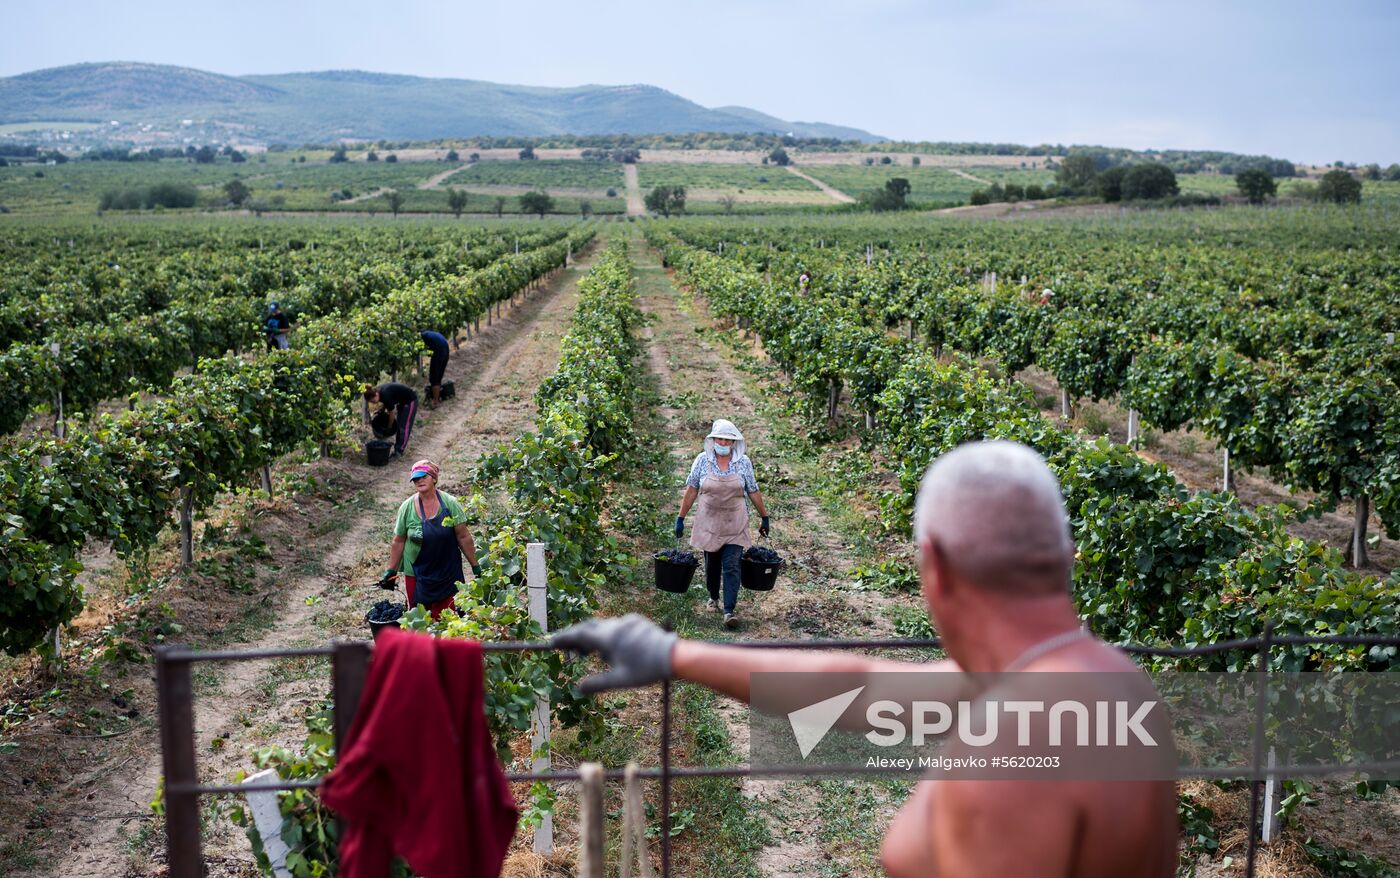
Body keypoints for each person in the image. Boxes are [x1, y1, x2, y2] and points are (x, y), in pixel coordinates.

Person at [558, 441, 1178, 877]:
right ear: (1067, 558)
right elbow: (852, 685)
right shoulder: (1111, 687)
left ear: (934, 566)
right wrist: (675, 654)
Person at [674, 419, 770, 629]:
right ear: (713, 440)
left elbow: (752, 490)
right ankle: (713, 596)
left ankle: (729, 611)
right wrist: (681, 517)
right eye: (720, 439)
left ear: (734, 443)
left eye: (728, 440)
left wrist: (764, 516)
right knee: (712, 564)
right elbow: (692, 489)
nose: (724, 443)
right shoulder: (702, 461)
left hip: (734, 521)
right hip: (709, 520)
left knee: (732, 565)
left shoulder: (743, 463)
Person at [380, 460, 481, 619]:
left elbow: (463, 536)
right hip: (417, 573)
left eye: (423, 476)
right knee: (419, 618)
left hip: (447, 572)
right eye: (415, 478)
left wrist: (476, 565)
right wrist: (391, 571)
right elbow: (399, 540)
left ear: (434, 478)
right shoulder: (407, 507)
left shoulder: (450, 504)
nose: (419, 480)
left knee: (446, 618)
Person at [364, 382, 419, 458]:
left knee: (404, 427)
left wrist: (389, 427)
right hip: (402, 402)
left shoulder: (384, 394)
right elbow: (386, 403)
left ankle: (399, 451)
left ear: (376, 395)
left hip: (410, 401)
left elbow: (392, 414)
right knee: (400, 426)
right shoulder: (379, 392)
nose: (373, 403)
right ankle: (398, 448)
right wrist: (382, 411)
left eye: (373, 401)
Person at [421, 330, 451, 408]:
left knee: (434, 378)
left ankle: (435, 402)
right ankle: (438, 398)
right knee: (438, 377)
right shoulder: (431, 334)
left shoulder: (422, 336)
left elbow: (422, 349)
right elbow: (429, 350)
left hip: (439, 351)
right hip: (446, 350)